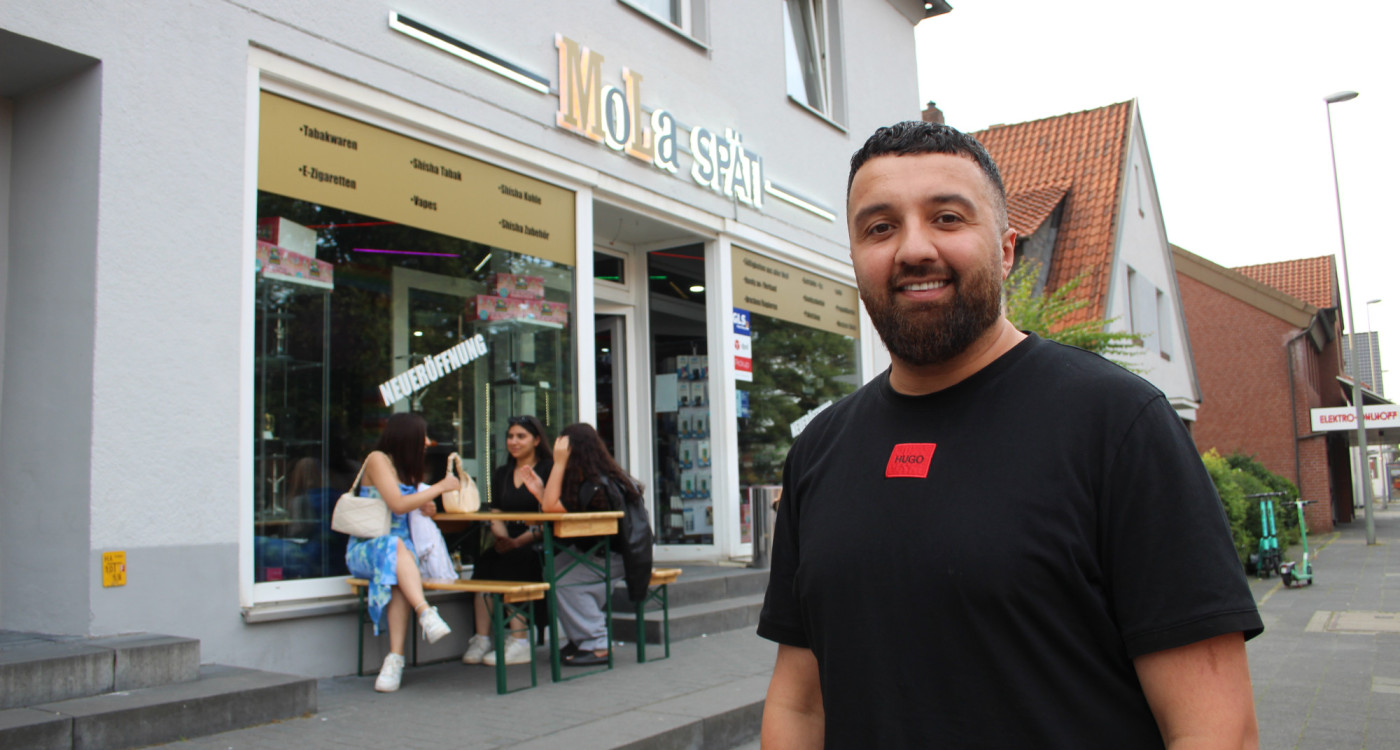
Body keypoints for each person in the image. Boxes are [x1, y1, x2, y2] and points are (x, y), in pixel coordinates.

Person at [757, 121, 1264, 748]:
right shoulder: (817, 454)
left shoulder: (1118, 425)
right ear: (858, 257)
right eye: (880, 227)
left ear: (1005, 249)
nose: (913, 248)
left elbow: (1217, 730)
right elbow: (799, 706)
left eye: (947, 218)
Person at [345, 412, 460, 693]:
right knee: (394, 548)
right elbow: (397, 504)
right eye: (422, 436)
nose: (427, 442)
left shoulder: (407, 468)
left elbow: (410, 505)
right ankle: (425, 612)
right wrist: (439, 489)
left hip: (398, 556)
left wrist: (427, 506)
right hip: (366, 548)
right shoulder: (378, 459)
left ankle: (394, 659)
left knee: (397, 572)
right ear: (407, 436)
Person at [537, 422, 638, 667]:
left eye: (563, 447)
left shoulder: (600, 485)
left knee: (565, 582)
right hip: (595, 552)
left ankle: (597, 642)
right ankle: (581, 637)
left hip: (613, 556)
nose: (558, 451)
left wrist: (558, 464)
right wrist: (540, 490)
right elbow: (554, 509)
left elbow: (550, 508)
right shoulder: (591, 479)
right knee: (551, 569)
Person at [460, 415, 552, 668]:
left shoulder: (547, 468)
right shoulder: (502, 473)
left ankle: (520, 640)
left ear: (535, 440)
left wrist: (518, 541)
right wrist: (502, 538)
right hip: (507, 538)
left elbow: (549, 514)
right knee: (484, 565)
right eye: (510, 436)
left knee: (515, 562)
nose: (514, 441)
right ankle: (481, 638)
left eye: (520, 436)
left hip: (537, 540)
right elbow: (496, 512)